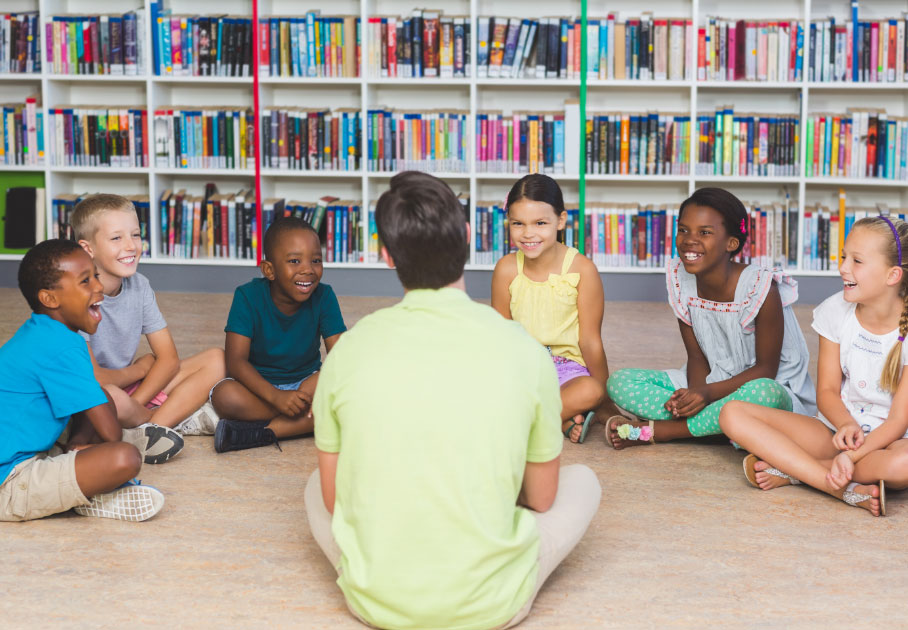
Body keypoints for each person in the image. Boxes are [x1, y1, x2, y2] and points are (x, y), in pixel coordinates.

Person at [305, 171, 600, 630]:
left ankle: (377, 572)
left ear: (387, 255)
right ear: (465, 237)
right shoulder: (525, 352)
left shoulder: (349, 351)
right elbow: (542, 500)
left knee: (311, 486)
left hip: (377, 604)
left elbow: (332, 497)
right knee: (583, 482)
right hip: (493, 606)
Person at [721, 216, 908, 517]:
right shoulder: (835, 310)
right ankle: (833, 484)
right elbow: (827, 390)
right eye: (844, 256)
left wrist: (855, 455)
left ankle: (796, 471)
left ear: (892, 275)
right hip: (834, 432)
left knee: (904, 464)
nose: (843, 267)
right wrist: (845, 425)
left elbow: (898, 422)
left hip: (890, 443)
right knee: (732, 413)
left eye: (857, 261)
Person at [0, 240, 164, 522]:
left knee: (102, 397)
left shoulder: (45, 332)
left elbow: (93, 402)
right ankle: (92, 495)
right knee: (125, 457)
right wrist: (97, 448)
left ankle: (75, 455)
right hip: (1, 489)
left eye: (95, 275)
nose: (98, 287)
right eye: (85, 281)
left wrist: (80, 442)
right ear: (50, 299)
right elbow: (111, 435)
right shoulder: (62, 346)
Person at [605, 187, 816, 448]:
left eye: (704, 232)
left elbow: (766, 371)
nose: (689, 240)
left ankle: (665, 432)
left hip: (761, 388)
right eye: (683, 230)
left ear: (732, 243)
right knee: (620, 383)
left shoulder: (761, 288)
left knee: (765, 395)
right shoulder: (681, 280)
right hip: (710, 384)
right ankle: (716, 428)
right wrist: (692, 397)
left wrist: (706, 394)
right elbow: (696, 357)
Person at [71, 194, 225, 461]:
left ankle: (147, 428)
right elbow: (95, 379)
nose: (131, 246)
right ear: (88, 248)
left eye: (135, 235)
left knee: (216, 359)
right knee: (111, 396)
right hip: (92, 399)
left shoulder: (139, 285)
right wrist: (140, 369)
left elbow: (168, 359)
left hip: (128, 393)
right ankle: (159, 424)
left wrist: (136, 402)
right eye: (116, 238)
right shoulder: (78, 298)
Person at [209, 216, 346, 453]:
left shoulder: (324, 295)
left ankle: (259, 433)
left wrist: (315, 388)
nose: (308, 270)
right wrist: (276, 397)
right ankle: (300, 422)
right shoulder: (247, 296)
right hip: (260, 387)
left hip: (306, 384)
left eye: (316, 260)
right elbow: (236, 361)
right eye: (294, 261)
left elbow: (341, 355)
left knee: (339, 386)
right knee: (224, 396)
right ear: (269, 270)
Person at [491, 173, 609, 444]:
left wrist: (603, 398)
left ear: (561, 221)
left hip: (569, 371)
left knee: (590, 390)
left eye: (540, 223)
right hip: (524, 368)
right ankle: (560, 419)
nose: (528, 233)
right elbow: (501, 337)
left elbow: (590, 340)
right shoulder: (506, 269)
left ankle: (529, 422)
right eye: (518, 223)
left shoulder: (582, 269)